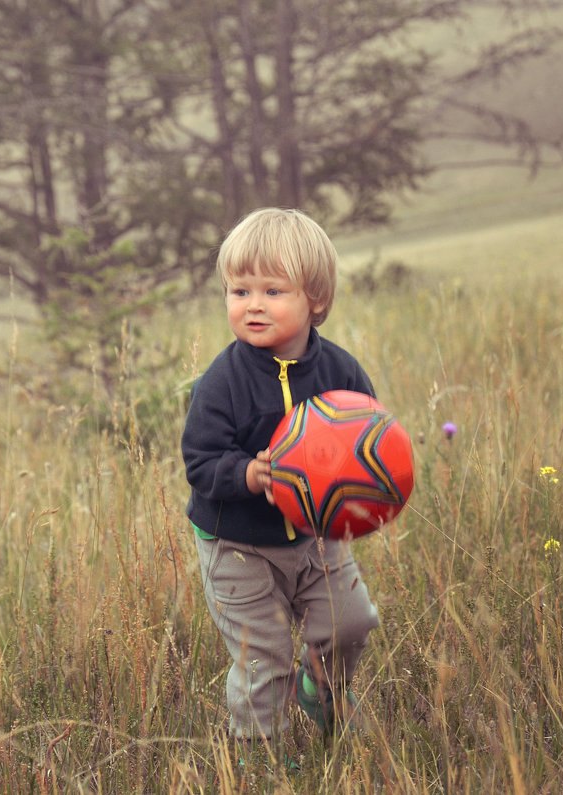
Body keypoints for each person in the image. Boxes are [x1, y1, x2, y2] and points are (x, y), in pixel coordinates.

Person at [181, 207, 380, 746]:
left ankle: (321, 690)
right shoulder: (221, 383)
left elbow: (367, 439)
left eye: (272, 290)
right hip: (237, 544)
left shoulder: (340, 372)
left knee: (352, 622)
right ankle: (258, 762)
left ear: (315, 299)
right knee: (261, 660)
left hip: (317, 537)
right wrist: (248, 473)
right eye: (239, 291)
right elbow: (199, 461)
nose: (252, 305)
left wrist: (370, 485)